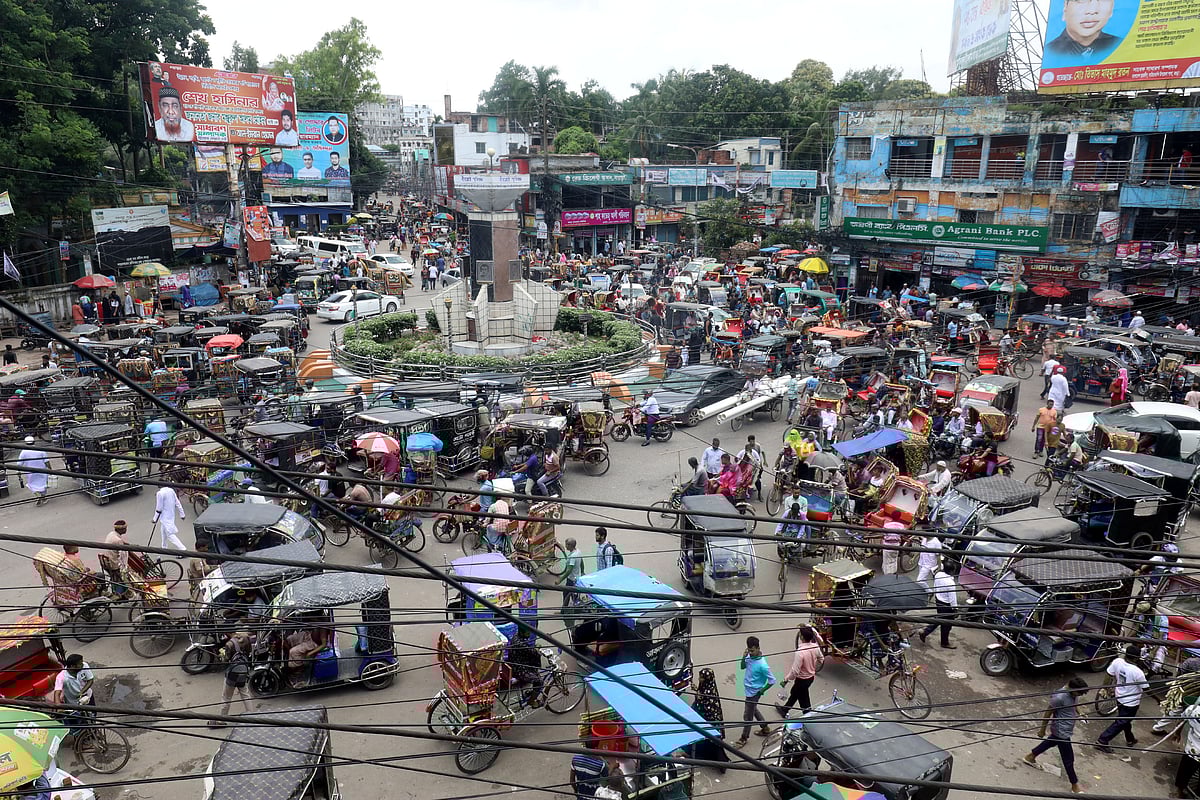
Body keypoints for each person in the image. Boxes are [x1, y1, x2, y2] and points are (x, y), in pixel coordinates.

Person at [1023, 677, 1089, 795]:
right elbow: (1048, 713)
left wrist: (1081, 713)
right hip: (1061, 731)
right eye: (1078, 693)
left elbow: (1075, 703)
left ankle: (1030, 756)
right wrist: (1042, 729)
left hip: (1066, 729)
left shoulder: (1074, 693)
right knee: (1068, 759)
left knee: (1051, 742)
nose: (1079, 695)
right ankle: (1074, 785)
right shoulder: (1059, 697)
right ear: (1072, 689)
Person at [1096, 645, 1148, 754]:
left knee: (1125, 720)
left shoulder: (1117, 661)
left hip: (1119, 697)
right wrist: (1158, 699)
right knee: (1122, 721)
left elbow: (1109, 674)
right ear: (1136, 658)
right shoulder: (1138, 672)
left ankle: (1130, 739)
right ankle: (1102, 740)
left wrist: (1105, 688)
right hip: (1131, 703)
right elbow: (1147, 689)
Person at [1046, 0, 1120, 59]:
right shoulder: (1050, 53)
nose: (1092, 10)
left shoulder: (1121, 47)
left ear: (1112, 7)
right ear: (1065, 6)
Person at [736, 636, 775, 747]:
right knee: (753, 710)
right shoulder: (749, 656)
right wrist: (743, 657)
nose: (751, 653)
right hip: (748, 690)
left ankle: (744, 738)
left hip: (754, 692)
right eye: (749, 650)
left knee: (747, 717)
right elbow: (742, 667)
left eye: (752, 650)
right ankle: (765, 728)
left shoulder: (762, 665)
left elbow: (772, 680)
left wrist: (761, 691)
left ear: (758, 648)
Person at [688, 667, 729, 772]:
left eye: (701, 678)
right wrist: (697, 690)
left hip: (710, 719)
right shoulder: (705, 686)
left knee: (715, 742)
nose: (699, 679)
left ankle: (722, 764)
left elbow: (705, 702)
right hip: (703, 717)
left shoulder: (709, 690)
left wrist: (698, 694)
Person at [777, 626, 823, 717]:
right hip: (810, 678)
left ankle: (808, 718)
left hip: (802, 680)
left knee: (804, 701)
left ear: (801, 637)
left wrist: (786, 680)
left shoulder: (800, 652)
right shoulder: (815, 647)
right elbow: (821, 659)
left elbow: (795, 671)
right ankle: (785, 709)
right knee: (795, 693)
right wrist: (813, 666)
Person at [209, 630, 253, 727]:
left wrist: (222, 656)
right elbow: (249, 652)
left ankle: (221, 720)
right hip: (243, 670)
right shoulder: (246, 638)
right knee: (245, 694)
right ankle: (251, 715)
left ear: (228, 633)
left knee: (226, 697)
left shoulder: (230, 644)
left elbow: (226, 660)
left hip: (232, 673)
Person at [919, 567, 958, 649]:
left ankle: (925, 632)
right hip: (947, 605)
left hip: (938, 601)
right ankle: (944, 642)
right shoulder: (950, 583)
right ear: (952, 570)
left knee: (940, 618)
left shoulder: (938, 574)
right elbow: (952, 599)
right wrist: (955, 609)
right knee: (946, 625)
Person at [16, 436, 51, 505]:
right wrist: (50, 469)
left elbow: (19, 463)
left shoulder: (23, 452)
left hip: (30, 473)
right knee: (43, 485)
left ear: (25, 443)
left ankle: (38, 497)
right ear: (34, 442)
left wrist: (18, 472)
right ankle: (43, 497)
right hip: (42, 471)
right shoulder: (40, 449)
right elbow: (46, 462)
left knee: (32, 485)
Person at [152, 484, 187, 551]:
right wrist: (182, 514)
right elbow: (177, 503)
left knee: (170, 534)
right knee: (163, 531)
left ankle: (183, 549)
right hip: (171, 515)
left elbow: (159, 508)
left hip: (165, 517)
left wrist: (154, 519)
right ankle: (164, 547)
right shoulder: (171, 490)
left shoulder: (160, 493)